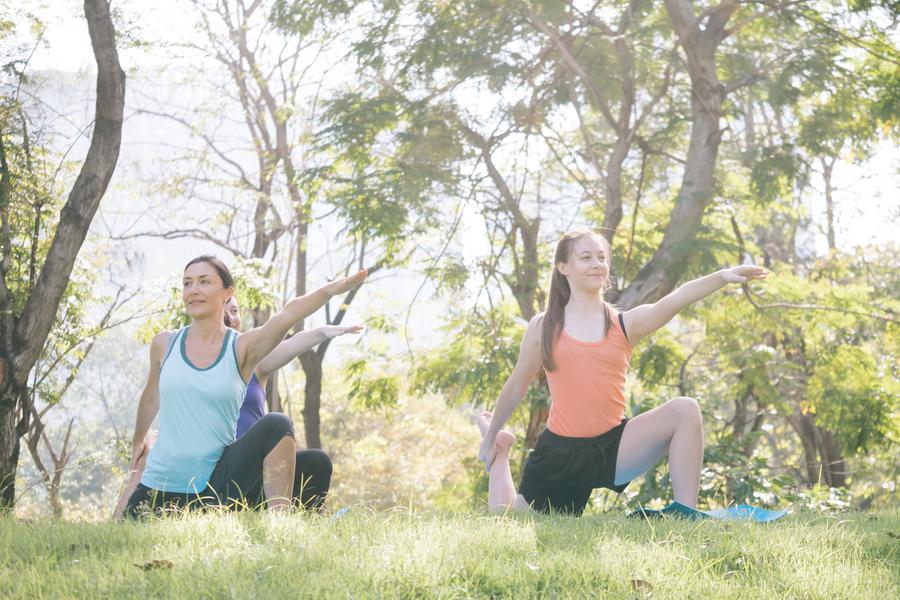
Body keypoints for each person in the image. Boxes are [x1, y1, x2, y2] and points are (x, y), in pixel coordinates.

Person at [476, 230, 768, 515]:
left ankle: (686, 514)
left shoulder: (626, 325)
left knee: (685, 409)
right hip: (561, 451)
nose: (596, 264)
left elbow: (676, 299)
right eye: (586, 257)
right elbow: (517, 385)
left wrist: (722, 277)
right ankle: (502, 449)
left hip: (614, 446)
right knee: (512, 517)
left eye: (602, 257)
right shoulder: (545, 326)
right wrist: (489, 442)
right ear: (563, 266)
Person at [121, 255, 366, 518]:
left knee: (277, 424)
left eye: (204, 282)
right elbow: (150, 397)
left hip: (214, 486)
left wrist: (328, 291)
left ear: (227, 293)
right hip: (161, 484)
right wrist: (137, 442)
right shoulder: (164, 344)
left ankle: (281, 526)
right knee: (121, 538)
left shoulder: (242, 348)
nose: (193, 290)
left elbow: (288, 315)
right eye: (187, 283)